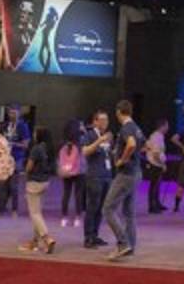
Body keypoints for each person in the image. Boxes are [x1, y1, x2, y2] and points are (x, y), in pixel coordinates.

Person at [102, 99, 144, 261]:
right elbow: (143, 145)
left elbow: (131, 144)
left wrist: (122, 159)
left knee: (108, 209)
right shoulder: (136, 128)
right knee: (129, 213)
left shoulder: (126, 128)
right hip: (136, 172)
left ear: (119, 112)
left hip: (125, 174)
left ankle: (123, 243)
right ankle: (130, 247)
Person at [19, 127, 56, 255]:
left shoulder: (36, 148)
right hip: (45, 182)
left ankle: (47, 238)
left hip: (34, 182)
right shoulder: (49, 148)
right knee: (38, 213)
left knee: (34, 213)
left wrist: (25, 172)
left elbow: (29, 166)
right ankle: (35, 241)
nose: (34, 135)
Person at [81, 110, 113, 249]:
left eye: (106, 120)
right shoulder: (90, 135)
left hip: (106, 175)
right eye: (102, 120)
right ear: (95, 121)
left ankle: (95, 235)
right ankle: (88, 237)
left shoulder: (107, 136)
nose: (105, 123)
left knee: (101, 207)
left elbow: (108, 154)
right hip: (94, 176)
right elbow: (85, 151)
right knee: (92, 207)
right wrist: (99, 141)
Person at [0, 107, 29, 217]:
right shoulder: (5, 126)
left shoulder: (22, 126)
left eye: (14, 113)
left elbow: (25, 145)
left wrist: (12, 144)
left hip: (16, 158)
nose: (11, 115)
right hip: (4, 159)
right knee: (1, 185)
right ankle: (0, 209)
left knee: (14, 186)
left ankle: (14, 210)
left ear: (18, 114)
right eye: (10, 113)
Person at [57, 119, 86, 226]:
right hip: (79, 170)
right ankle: (78, 217)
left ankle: (64, 217)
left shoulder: (63, 143)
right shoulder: (81, 141)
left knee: (66, 193)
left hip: (66, 170)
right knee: (78, 194)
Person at [144, 119, 168, 214]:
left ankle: (157, 203)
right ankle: (152, 206)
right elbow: (156, 154)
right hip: (155, 164)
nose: (167, 128)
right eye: (166, 126)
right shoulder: (156, 137)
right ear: (162, 126)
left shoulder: (158, 136)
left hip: (157, 164)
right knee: (154, 186)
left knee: (157, 185)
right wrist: (162, 164)